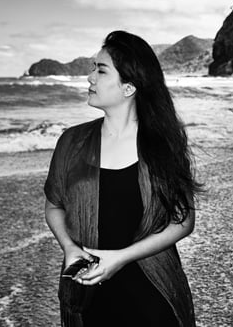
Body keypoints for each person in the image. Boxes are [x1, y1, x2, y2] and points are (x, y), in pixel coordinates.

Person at [44, 30, 201, 326]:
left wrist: (122, 257)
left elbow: (183, 220)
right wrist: (69, 247)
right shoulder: (71, 142)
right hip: (90, 297)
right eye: (92, 68)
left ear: (129, 86)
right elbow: (54, 206)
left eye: (101, 71)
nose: (90, 78)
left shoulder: (161, 143)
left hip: (153, 294)